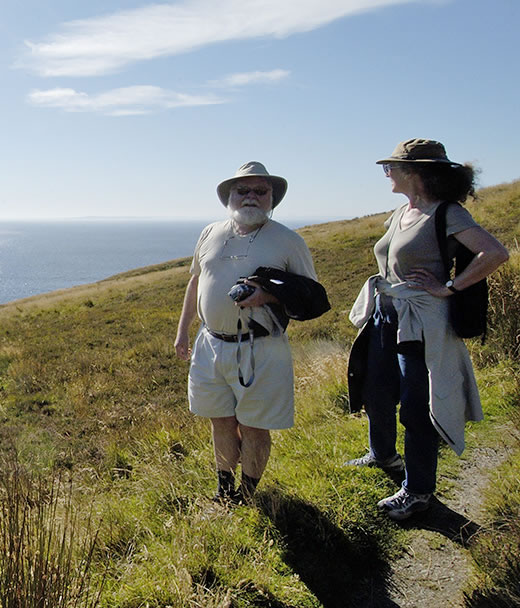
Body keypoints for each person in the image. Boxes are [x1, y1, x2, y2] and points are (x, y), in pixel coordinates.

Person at [346, 138, 509, 520]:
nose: (387, 173)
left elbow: (495, 252)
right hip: (386, 315)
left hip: (420, 322)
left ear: (415, 173)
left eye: (392, 167)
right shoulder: (401, 211)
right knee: (376, 389)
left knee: (417, 408)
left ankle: (418, 491)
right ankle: (382, 454)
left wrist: (449, 287)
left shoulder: (446, 213)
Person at [175, 162, 327, 503]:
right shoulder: (210, 232)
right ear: (230, 196)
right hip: (210, 343)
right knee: (221, 421)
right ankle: (224, 491)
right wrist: (183, 330)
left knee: (256, 425)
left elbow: (311, 295)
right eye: (243, 190)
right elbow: (196, 280)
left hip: (261, 347)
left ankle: (247, 495)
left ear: (272, 197)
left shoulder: (288, 241)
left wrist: (268, 295)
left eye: (261, 191)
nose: (251, 197)